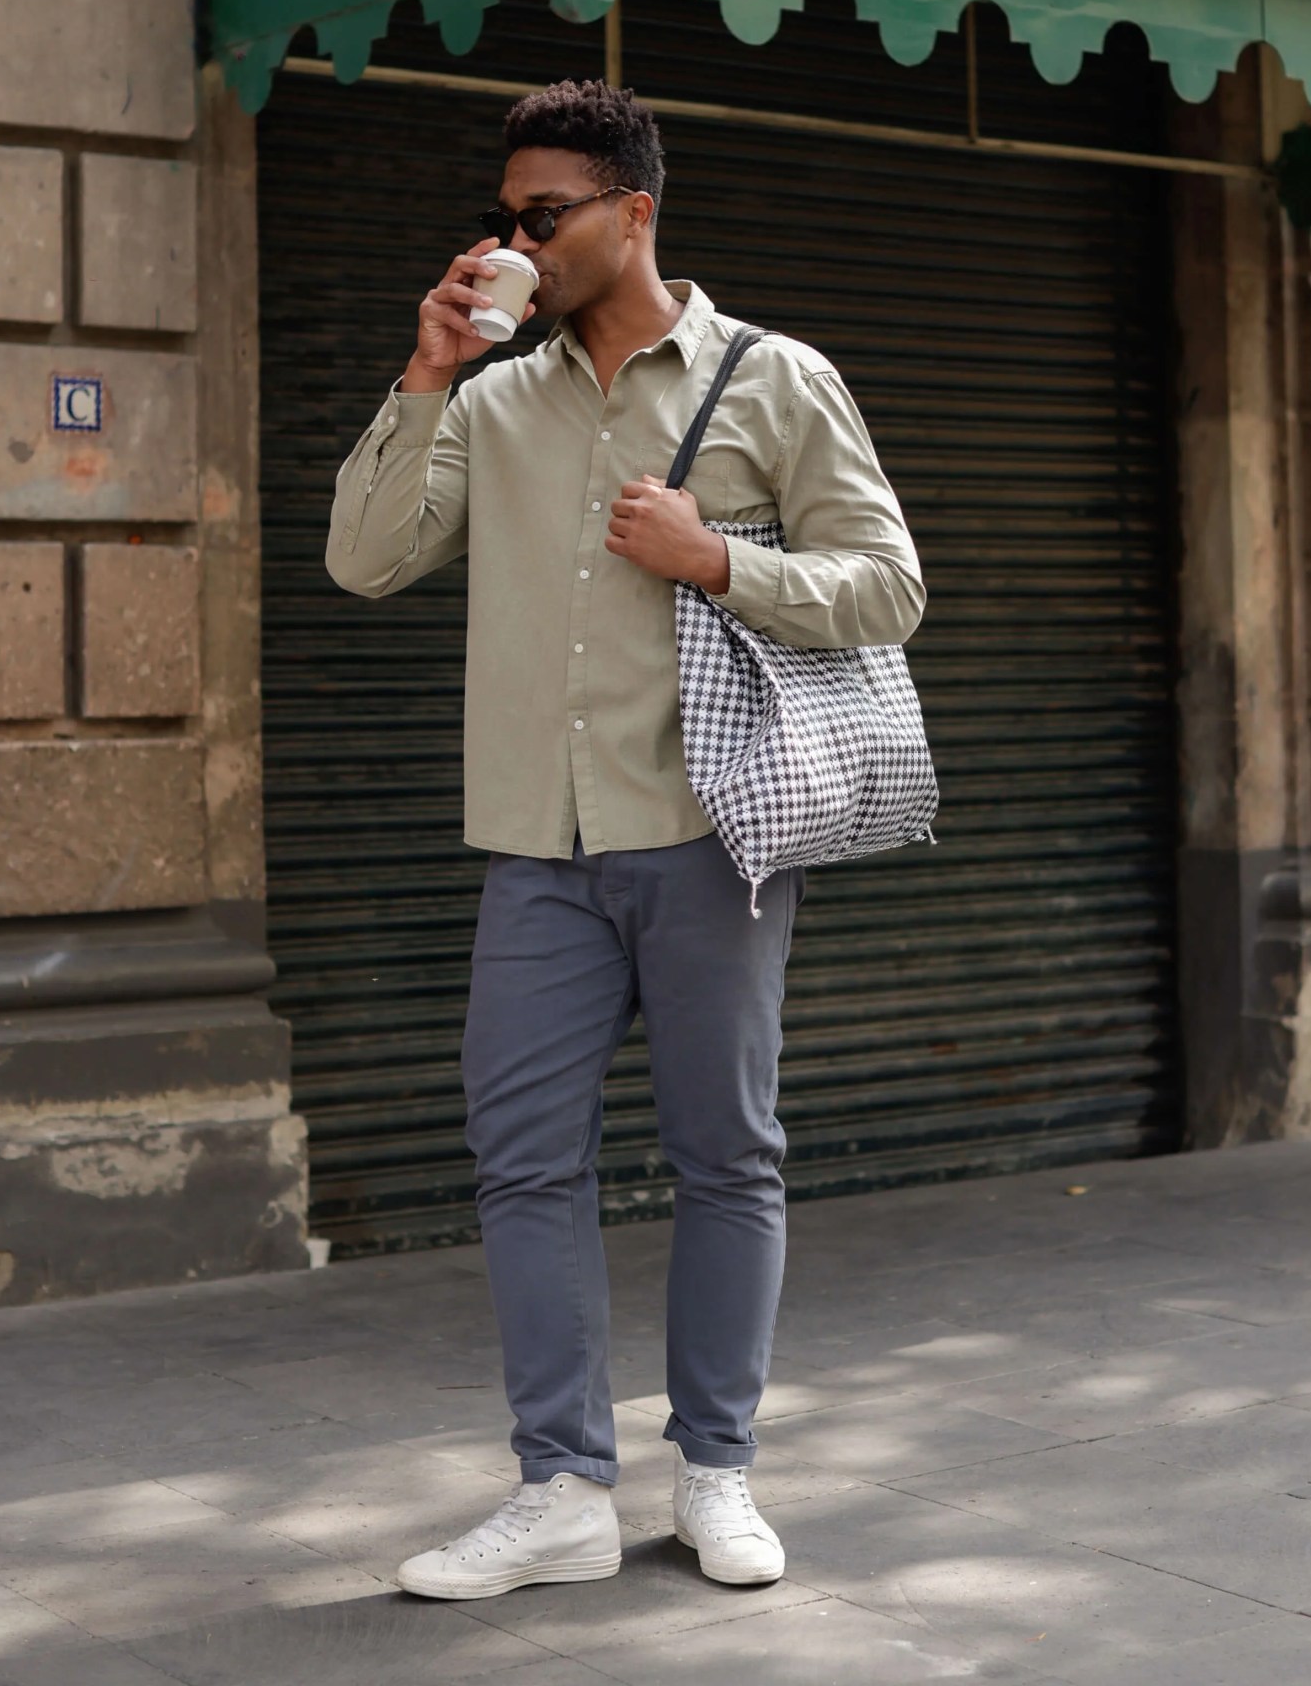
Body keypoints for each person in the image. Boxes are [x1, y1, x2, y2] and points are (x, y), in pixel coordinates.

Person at [327, 79, 924, 1599]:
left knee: (728, 1156)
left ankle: (716, 1472)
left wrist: (717, 560)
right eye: (504, 219)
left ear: (633, 212)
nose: (514, 242)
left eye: (544, 216)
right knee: (523, 1161)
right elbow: (365, 561)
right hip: (537, 843)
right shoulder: (491, 402)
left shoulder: (772, 378)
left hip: (710, 832)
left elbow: (889, 586)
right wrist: (426, 370)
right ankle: (561, 1492)